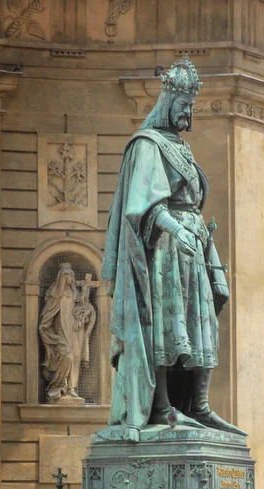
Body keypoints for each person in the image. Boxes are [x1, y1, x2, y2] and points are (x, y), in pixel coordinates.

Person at [102, 55, 245, 442]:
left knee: (202, 323)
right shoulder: (148, 144)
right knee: (166, 326)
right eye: (184, 106)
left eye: (192, 107)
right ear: (169, 103)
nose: (188, 113)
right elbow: (143, 203)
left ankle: (198, 406)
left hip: (193, 248)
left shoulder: (181, 146)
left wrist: (196, 234)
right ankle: (162, 407)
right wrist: (173, 229)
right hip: (165, 249)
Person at [39, 263, 96, 402]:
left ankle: (72, 388)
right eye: (67, 275)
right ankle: (58, 385)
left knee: (75, 358)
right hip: (61, 332)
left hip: (75, 331)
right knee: (68, 356)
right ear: (62, 277)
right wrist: (45, 327)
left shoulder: (76, 294)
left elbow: (85, 308)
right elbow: (48, 313)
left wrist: (84, 313)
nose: (71, 278)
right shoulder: (55, 294)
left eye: (72, 275)